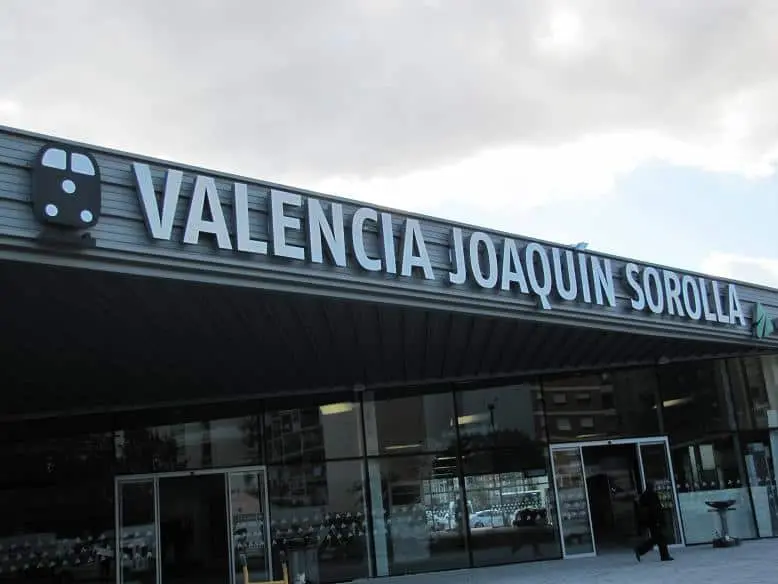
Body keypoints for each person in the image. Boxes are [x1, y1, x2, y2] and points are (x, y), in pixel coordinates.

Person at [634, 481, 674, 562]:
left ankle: (642, 550)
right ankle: (641, 550)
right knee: (658, 538)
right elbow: (656, 509)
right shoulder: (652, 495)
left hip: (650, 521)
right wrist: (659, 520)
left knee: (658, 538)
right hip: (655, 520)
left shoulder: (643, 496)